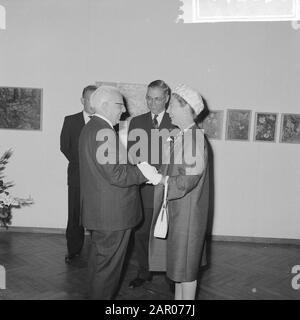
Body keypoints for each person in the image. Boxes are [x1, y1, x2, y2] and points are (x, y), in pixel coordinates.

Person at [78, 85, 157, 300]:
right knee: (107, 273)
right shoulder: (103, 131)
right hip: (113, 216)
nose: (124, 110)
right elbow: (116, 175)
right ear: (104, 106)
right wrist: (144, 173)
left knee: (99, 268)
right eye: (119, 105)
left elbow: (108, 169)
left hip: (103, 214)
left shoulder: (92, 128)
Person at [146, 84, 210, 300]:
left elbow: (188, 180)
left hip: (187, 215)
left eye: (172, 104)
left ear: (185, 108)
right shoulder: (184, 135)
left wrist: (161, 180)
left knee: (186, 269)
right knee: (181, 269)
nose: (169, 109)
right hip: (180, 211)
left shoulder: (194, 138)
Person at [127, 80, 175, 288]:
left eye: (157, 98)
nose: (152, 103)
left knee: (169, 233)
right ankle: (144, 271)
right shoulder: (136, 122)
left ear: (166, 99)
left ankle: (171, 274)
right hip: (145, 187)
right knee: (142, 233)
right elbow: (132, 155)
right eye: (149, 98)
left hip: (168, 188)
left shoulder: (176, 123)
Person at [60, 85, 97, 264]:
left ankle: (98, 251)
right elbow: (64, 146)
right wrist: (84, 163)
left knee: (97, 214)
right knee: (74, 215)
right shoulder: (70, 120)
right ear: (83, 101)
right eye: (90, 99)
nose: (93, 103)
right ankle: (73, 250)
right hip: (77, 177)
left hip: (99, 179)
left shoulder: (104, 122)